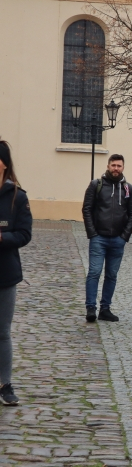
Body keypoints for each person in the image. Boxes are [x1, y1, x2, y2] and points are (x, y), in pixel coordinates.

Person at [82, 154, 132, 322]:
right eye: (113, 165)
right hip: (99, 238)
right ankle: (91, 308)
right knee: (94, 272)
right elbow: (87, 209)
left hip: (117, 240)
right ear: (108, 166)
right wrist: (92, 233)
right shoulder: (96, 185)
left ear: (123, 168)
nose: (116, 168)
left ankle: (105, 308)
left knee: (111, 275)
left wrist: (124, 236)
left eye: (119, 166)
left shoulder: (128, 188)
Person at [0, 139, 31, 406]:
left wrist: (1, 238)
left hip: (5, 273)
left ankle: (5, 384)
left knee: (2, 331)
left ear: (4, 164)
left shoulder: (17, 197)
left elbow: (24, 234)